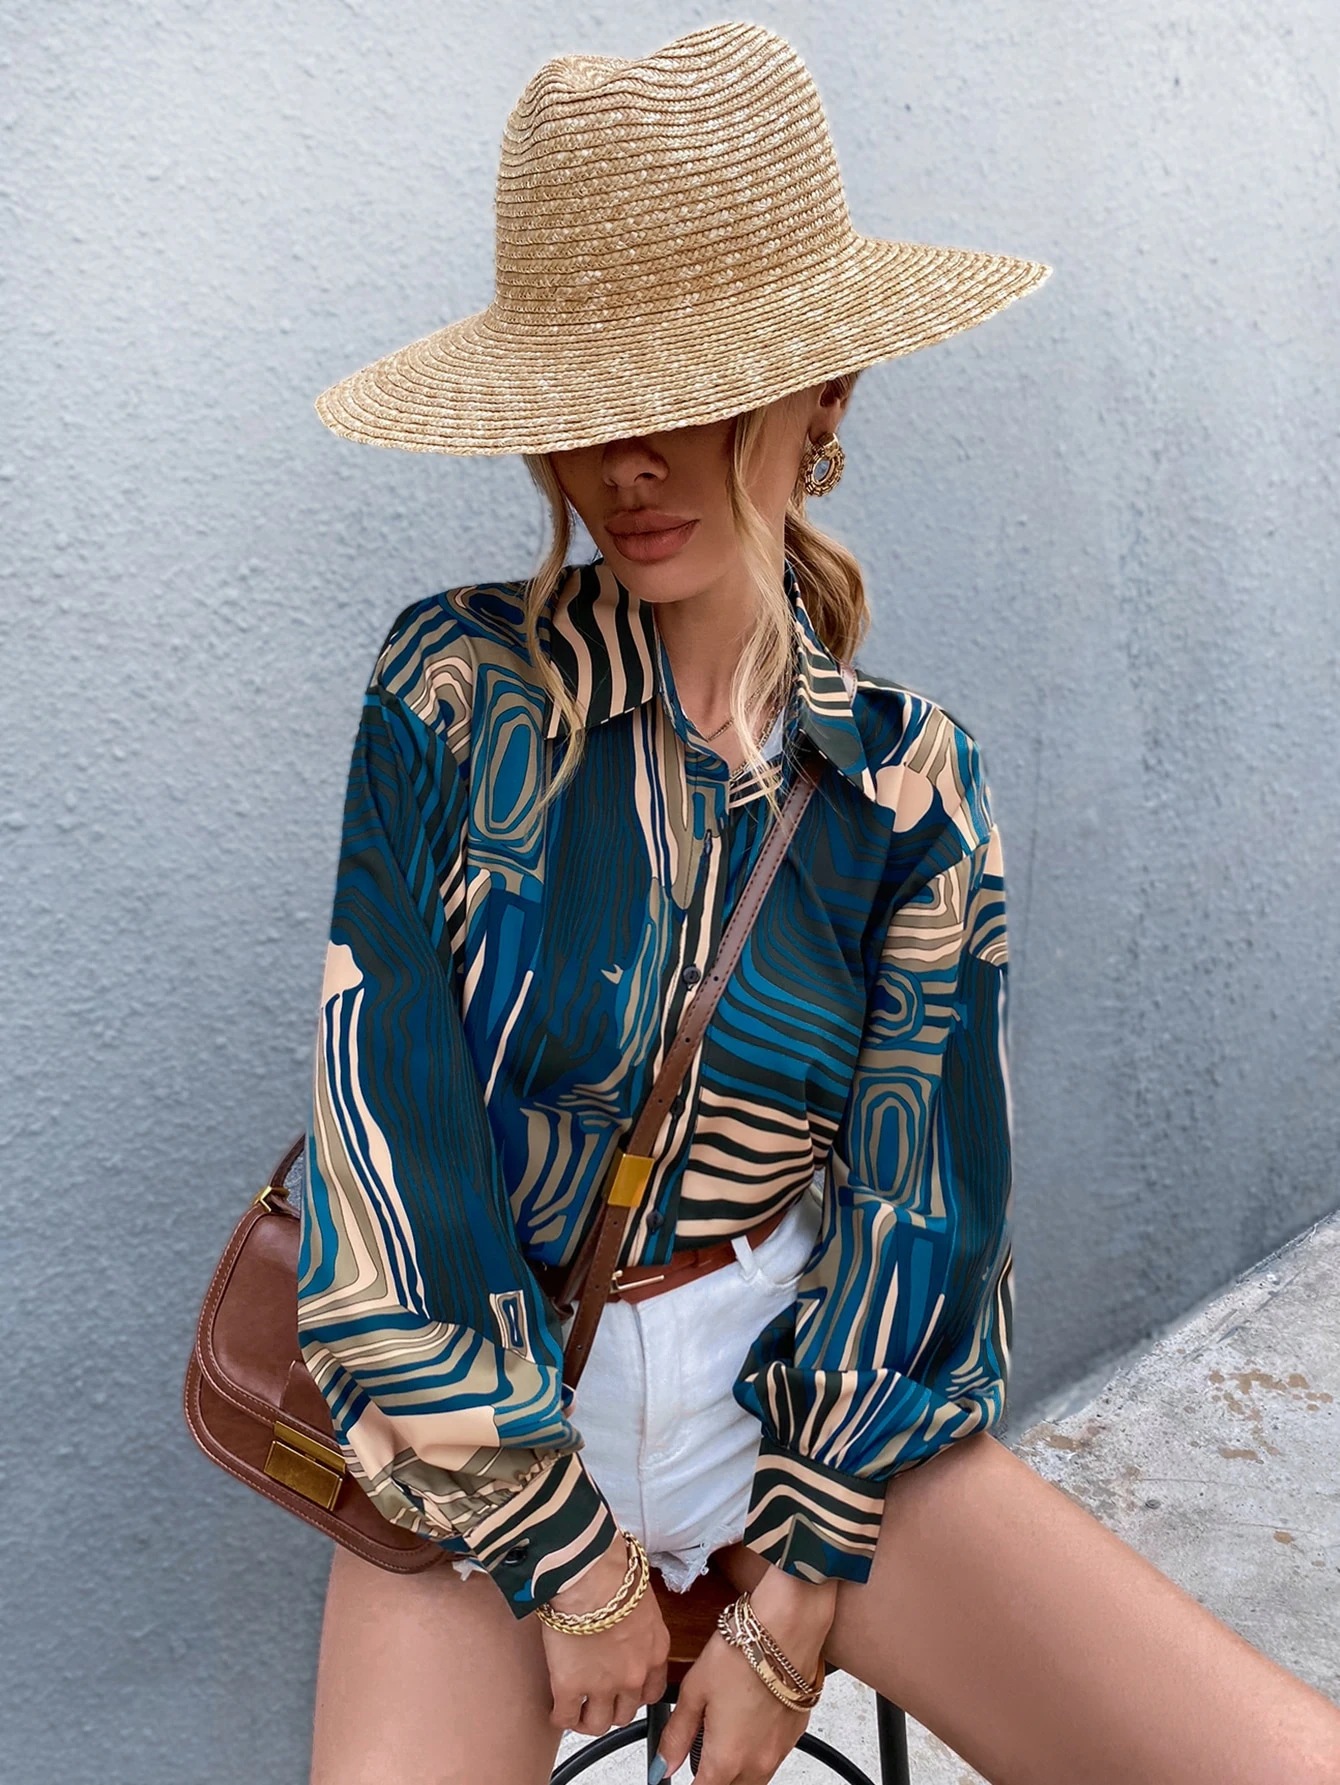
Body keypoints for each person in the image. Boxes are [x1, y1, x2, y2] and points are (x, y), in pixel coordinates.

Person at [295, 21, 1340, 1785]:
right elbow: (391, 1146)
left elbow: (927, 1208)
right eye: (589, 402)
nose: (630, 460)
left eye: (694, 389)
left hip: (790, 1399)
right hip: (493, 1416)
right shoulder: (459, 698)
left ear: (825, 393)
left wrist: (792, 1594)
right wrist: (565, 1558)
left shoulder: (911, 788)